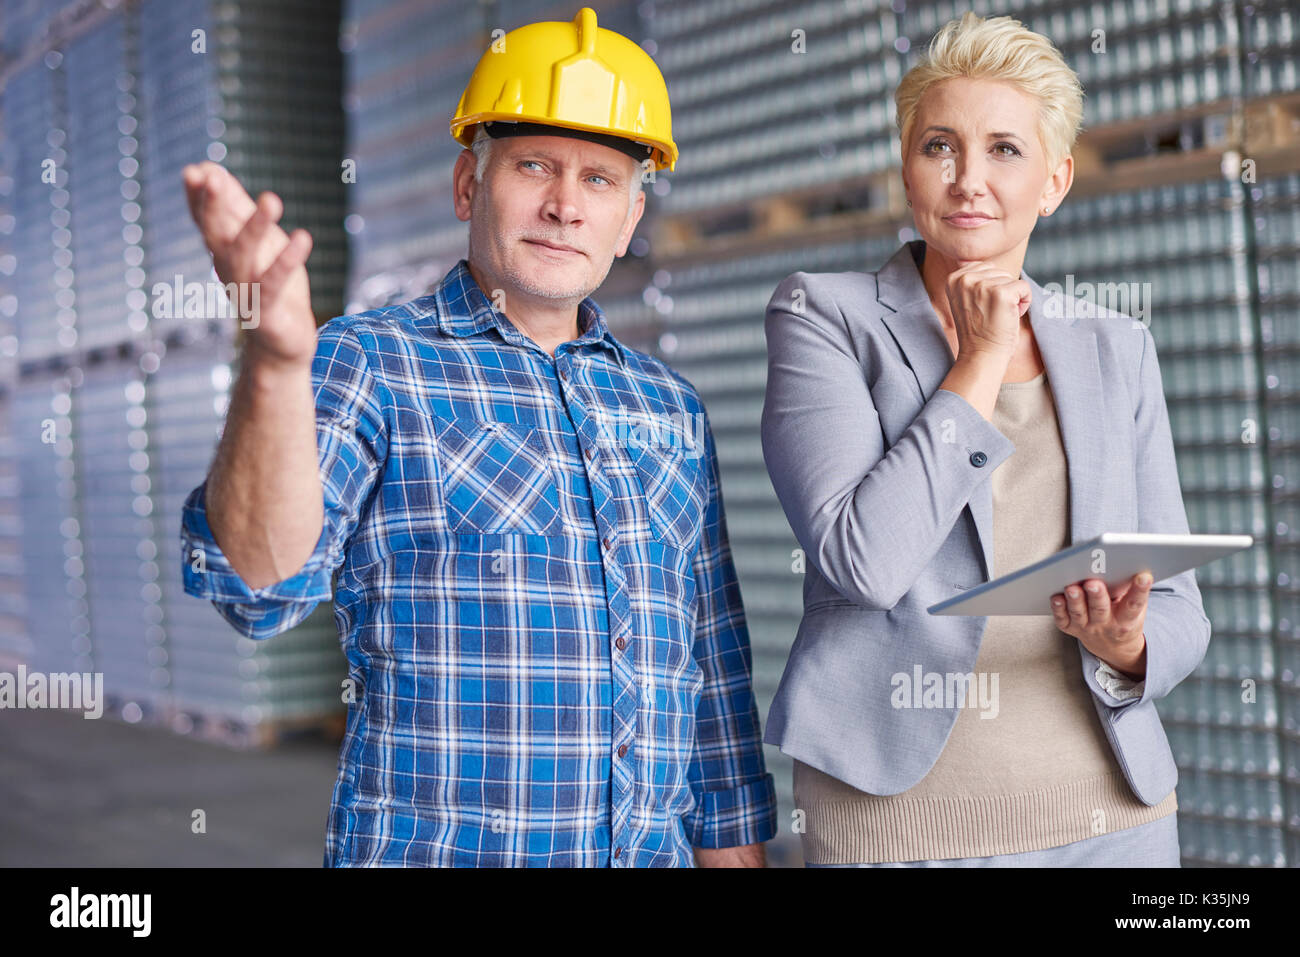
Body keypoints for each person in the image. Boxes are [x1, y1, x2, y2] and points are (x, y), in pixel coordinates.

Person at [178, 7, 775, 867]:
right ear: (469, 185)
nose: (566, 205)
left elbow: (711, 672)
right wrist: (273, 363)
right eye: (535, 165)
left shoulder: (669, 406)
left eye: (601, 180)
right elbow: (259, 587)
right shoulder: (372, 362)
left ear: (633, 215)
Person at [760, 11, 1209, 866]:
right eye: (939, 146)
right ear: (906, 166)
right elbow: (864, 562)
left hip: (1112, 814)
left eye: (1005, 149)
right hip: (899, 821)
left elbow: (1182, 607)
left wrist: (1129, 645)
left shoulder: (1118, 346)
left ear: (1055, 180)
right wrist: (980, 359)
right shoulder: (823, 316)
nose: (968, 178)